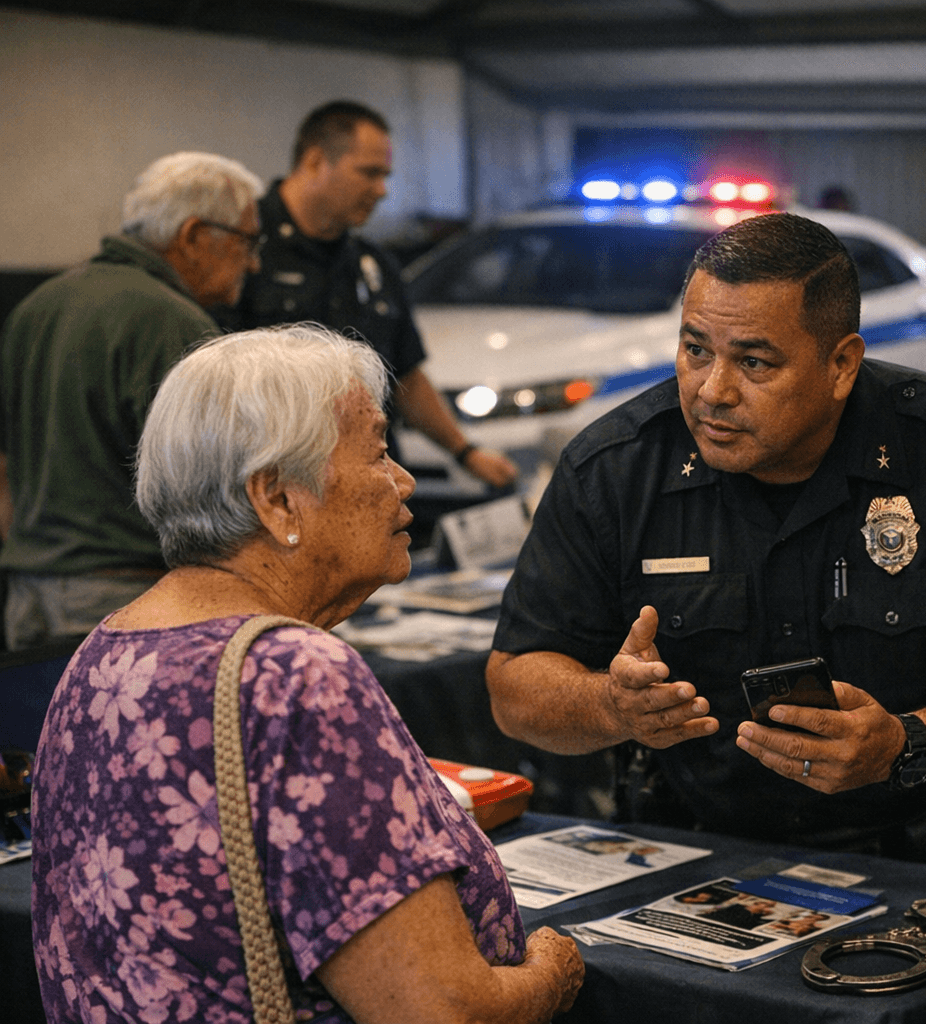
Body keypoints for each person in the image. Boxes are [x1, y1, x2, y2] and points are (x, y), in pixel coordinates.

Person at [486, 211, 926, 878]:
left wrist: (907, 742)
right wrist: (610, 706)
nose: (712, 391)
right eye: (696, 350)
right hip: (698, 871)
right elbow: (514, 685)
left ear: (841, 364)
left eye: (754, 361)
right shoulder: (616, 468)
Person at [29, 326, 583, 1023]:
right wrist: (554, 973)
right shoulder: (295, 676)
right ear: (278, 500)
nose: (404, 480)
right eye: (380, 452)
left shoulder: (106, 652)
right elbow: (443, 1013)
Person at [0, 152, 262, 650]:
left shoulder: (35, 308)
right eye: (246, 240)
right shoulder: (172, 322)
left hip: (26, 595)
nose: (254, 261)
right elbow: (212, 487)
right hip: (126, 597)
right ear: (191, 235)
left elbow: (3, 465)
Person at [231, 100, 517, 490]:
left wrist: (465, 452)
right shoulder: (243, 246)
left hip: (368, 482)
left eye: (385, 175)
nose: (381, 190)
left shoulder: (373, 264)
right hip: (279, 484)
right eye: (368, 173)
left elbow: (406, 377)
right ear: (315, 161)